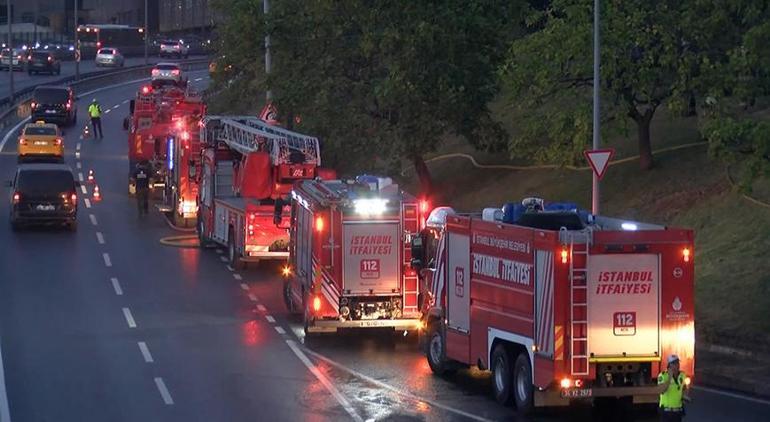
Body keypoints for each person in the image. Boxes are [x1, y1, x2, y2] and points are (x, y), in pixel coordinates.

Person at [657, 354, 690, 421]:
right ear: (670, 365)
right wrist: (669, 378)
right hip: (666, 411)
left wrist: (685, 396)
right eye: (674, 363)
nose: (677, 365)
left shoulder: (682, 375)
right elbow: (661, 390)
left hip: (678, 411)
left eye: (678, 363)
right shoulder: (663, 376)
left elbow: (684, 388)